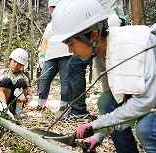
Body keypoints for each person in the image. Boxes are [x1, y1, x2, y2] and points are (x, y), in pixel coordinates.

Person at [50, 0, 156, 152]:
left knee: (147, 129)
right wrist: (97, 136)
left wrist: (97, 125)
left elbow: (145, 102)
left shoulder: (127, 45)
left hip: (150, 99)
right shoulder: (102, 53)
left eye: (71, 44)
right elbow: (117, 101)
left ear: (93, 35)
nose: (70, 51)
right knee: (107, 101)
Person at [65, 0, 126, 119]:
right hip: (97, 27)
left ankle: (80, 110)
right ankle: (112, 107)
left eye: (71, 45)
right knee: (105, 79)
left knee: (75, 65)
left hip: (108, 26)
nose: (69, 50)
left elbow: (110, 11)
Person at [36, 0, 72, 111]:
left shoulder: (68, 21)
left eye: (53, 7)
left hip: (65, 55)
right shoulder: (49, 26)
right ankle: (41, 103)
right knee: (44, 79)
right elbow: (45, 41)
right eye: (50, 7)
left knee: (65, 81)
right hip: (50, 57)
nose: (51, 9)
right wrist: (41, 56)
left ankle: (63, 105)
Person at [0, 48, 31, 117]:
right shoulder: (1, 73)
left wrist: (25, 100)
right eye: (14, 61)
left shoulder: (24, 78)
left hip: (16, 103)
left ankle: (18, 110)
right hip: (3, 101)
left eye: (19, 64)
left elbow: (29, 94)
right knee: (6, 81)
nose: (16, 65)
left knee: (21, 83)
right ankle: (2, 108)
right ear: (10, 61)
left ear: (22, 66)